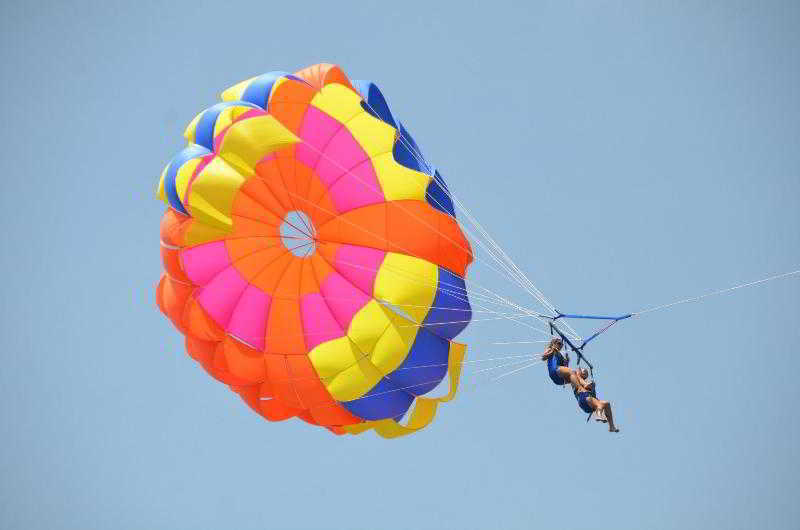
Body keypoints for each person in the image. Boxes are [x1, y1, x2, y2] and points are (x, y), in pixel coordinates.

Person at [572, 367, 620, 433]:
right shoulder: (575, 378)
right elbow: (583, 383)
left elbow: (593, 395)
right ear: (579, 371)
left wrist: (592, 387)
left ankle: (611, 426)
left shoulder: (586, 381)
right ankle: (598, 415)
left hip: (590, 404)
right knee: (598, 403)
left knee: (607, 404)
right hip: (583, 399)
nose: (585, 373)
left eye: (586, 373)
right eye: (584, 371)